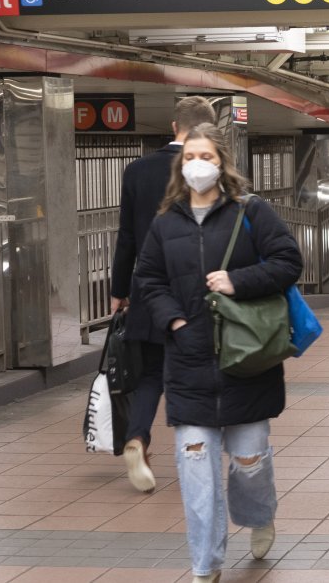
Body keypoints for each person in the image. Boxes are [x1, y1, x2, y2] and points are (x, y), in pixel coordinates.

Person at [134, 124, 303, 583]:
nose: (198, 164)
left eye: (206, 155)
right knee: (197, 475)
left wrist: (237, 280)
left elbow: (289, 261)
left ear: (222, 162)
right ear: (180, 164)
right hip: (189, 363)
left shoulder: (251, 212)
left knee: (250, 464)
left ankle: (260, 515)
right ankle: (205, 566)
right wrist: (175, 321)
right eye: (190, 156)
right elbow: (147, 279)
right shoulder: (165, 222)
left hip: (247, 359)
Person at [109, 95, 216, 494]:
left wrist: (120, 290)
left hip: (149, 288)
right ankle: (197, 451)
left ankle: (137, 438)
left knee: (151, 373)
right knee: (195, 373)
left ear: (174, 127)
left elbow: (126, 238)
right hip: (199, 289)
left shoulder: (137, 170)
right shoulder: (212, 169)